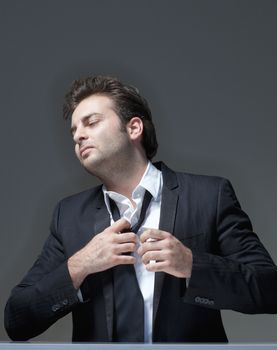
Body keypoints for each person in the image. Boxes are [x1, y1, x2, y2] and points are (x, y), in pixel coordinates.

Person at [4, 75, 277, 343]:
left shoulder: (209, 196)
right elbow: (17, 320)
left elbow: (270, 288)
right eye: (74, 131)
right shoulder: (69, 216)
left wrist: (192, 264)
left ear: (134, 128)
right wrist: (81, 264)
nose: (79, 136)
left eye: (91, 123)